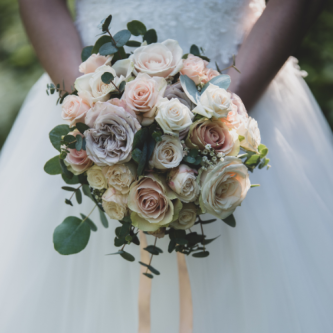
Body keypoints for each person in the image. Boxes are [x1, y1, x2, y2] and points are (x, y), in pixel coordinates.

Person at [0, 0, 332, 332]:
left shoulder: (224, 112)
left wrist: (216, 117)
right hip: (85, 85)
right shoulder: (92, 114)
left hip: (246, 88)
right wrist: (96, 116)